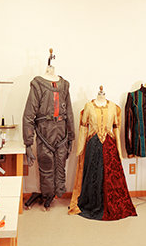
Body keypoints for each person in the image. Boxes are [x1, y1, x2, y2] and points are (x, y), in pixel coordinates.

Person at [68, 87, 137, 221]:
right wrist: (80, 148)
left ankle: (111, 203)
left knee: (111, 175)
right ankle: (93, 203)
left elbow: (116, 129)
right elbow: (83, 127)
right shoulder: (88, 106)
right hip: (93, 145)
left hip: (109, 145)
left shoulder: (113, 107)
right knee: (94, 173)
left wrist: (119, 149)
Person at [22, 53, 75, 210]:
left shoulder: (64, 85)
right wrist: (28, 143)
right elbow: (29, 115)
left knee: (60, 164)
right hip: (44, 133)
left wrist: (71, 137)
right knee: (46, 164)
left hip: (62, 133)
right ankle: (47, 195)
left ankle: (58, 192)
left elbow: (69, 112)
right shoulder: (37, 84)